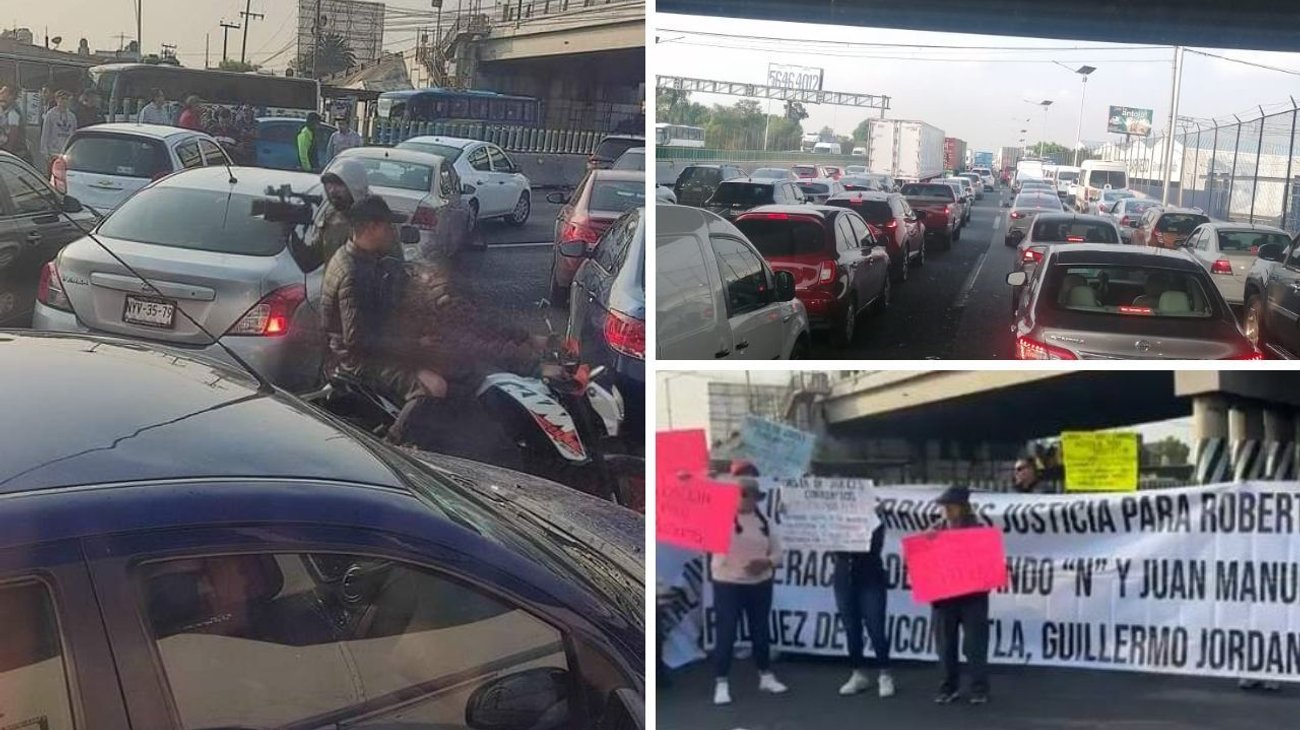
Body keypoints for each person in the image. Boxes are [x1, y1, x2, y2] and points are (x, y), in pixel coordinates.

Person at [320, 195, 447, 446]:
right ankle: (393, 446)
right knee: (435, 387)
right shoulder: (353, 273)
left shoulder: (357, 257)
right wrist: (414, 345)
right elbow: (359, 340)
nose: (392, 231)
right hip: (356, 361)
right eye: (388, 226)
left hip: (359, 351)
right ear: (372, 227)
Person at [710, 471, 788, 706]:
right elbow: (711, 548)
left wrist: (766, 562)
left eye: (750, 495)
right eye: (742, 494)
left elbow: (778, 553)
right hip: (728, 584)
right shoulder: (720, 519)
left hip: (759, 584)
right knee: (726, 633)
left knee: (760, 631)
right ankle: (721, 682)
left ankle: (765, 675)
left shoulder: (765, 522)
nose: (746, 499)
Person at [928, 486, 990, 705]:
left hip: (973, 596)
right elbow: (916, 560)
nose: (946, 510)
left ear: (963, 508)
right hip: (944, 597)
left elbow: (989, 563)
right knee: (946, 645)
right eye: (943, 506)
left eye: (950, 506)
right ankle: (948, 687)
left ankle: (978, 688)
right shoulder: (934, 532)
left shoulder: (979, 531)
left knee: (974, 645)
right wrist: (924, 544)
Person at [832, 520, 895, 699]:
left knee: (875, 625)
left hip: (870, 575)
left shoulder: (874, 518)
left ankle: (885, 673)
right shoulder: (836, 517)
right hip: (843, 574)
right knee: (851, 627)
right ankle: (857, 672)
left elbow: (874, 545)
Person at [309, 160, 403, 266]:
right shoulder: (331, 216)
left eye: (339, 184)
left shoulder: (376, 218)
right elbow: (310, 262)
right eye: (329, 184)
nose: (332, 190)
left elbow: (395, 265)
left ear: (354, 184)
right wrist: (293, 229)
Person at [39, 90, 77, 172]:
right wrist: (45, 153)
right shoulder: (50, 115)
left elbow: (73, 134)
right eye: (62, 98)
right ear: (56, 99)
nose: (64, 101)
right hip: (53, 153)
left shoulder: (72, 116)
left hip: (66, 153)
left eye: (66, 99)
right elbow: (45, 133)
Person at [0, 86, 30, 163]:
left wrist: (7, 152)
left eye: (3, 93)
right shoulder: (5, 110)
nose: (0, 94)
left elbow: (13, 134)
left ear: (11, 96)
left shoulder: (13, 112)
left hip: (16, 154)